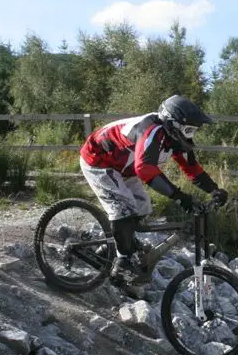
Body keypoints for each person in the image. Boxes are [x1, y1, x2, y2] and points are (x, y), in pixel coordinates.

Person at [79, 94, 228, 284]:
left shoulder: (175, 139)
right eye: (188, 130)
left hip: (124, 168)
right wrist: (179, 196)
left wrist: (214, 190)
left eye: (193, 131)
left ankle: (109, 248)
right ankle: (122, 262)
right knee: (123, 209)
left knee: (142, 206)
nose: (190, 135)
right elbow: (145, 168)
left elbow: (192, 169)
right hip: (99, 161)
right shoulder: (152, 131)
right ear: (173, 124)